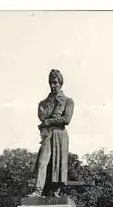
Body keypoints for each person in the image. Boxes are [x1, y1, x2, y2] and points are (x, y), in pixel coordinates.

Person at [28, 69, 74, 197]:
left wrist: (48, 122)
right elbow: (42, 116)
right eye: (50, 83)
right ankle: (38, 190)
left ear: (60, 83)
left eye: (55, 83)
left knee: (57, 164)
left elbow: (66, 119)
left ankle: (55, 191)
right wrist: (51, 104)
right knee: (43, 161)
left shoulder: (68, 101)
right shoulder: (45, 102)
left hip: (60, 135)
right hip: (48, 135)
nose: (52, 86)